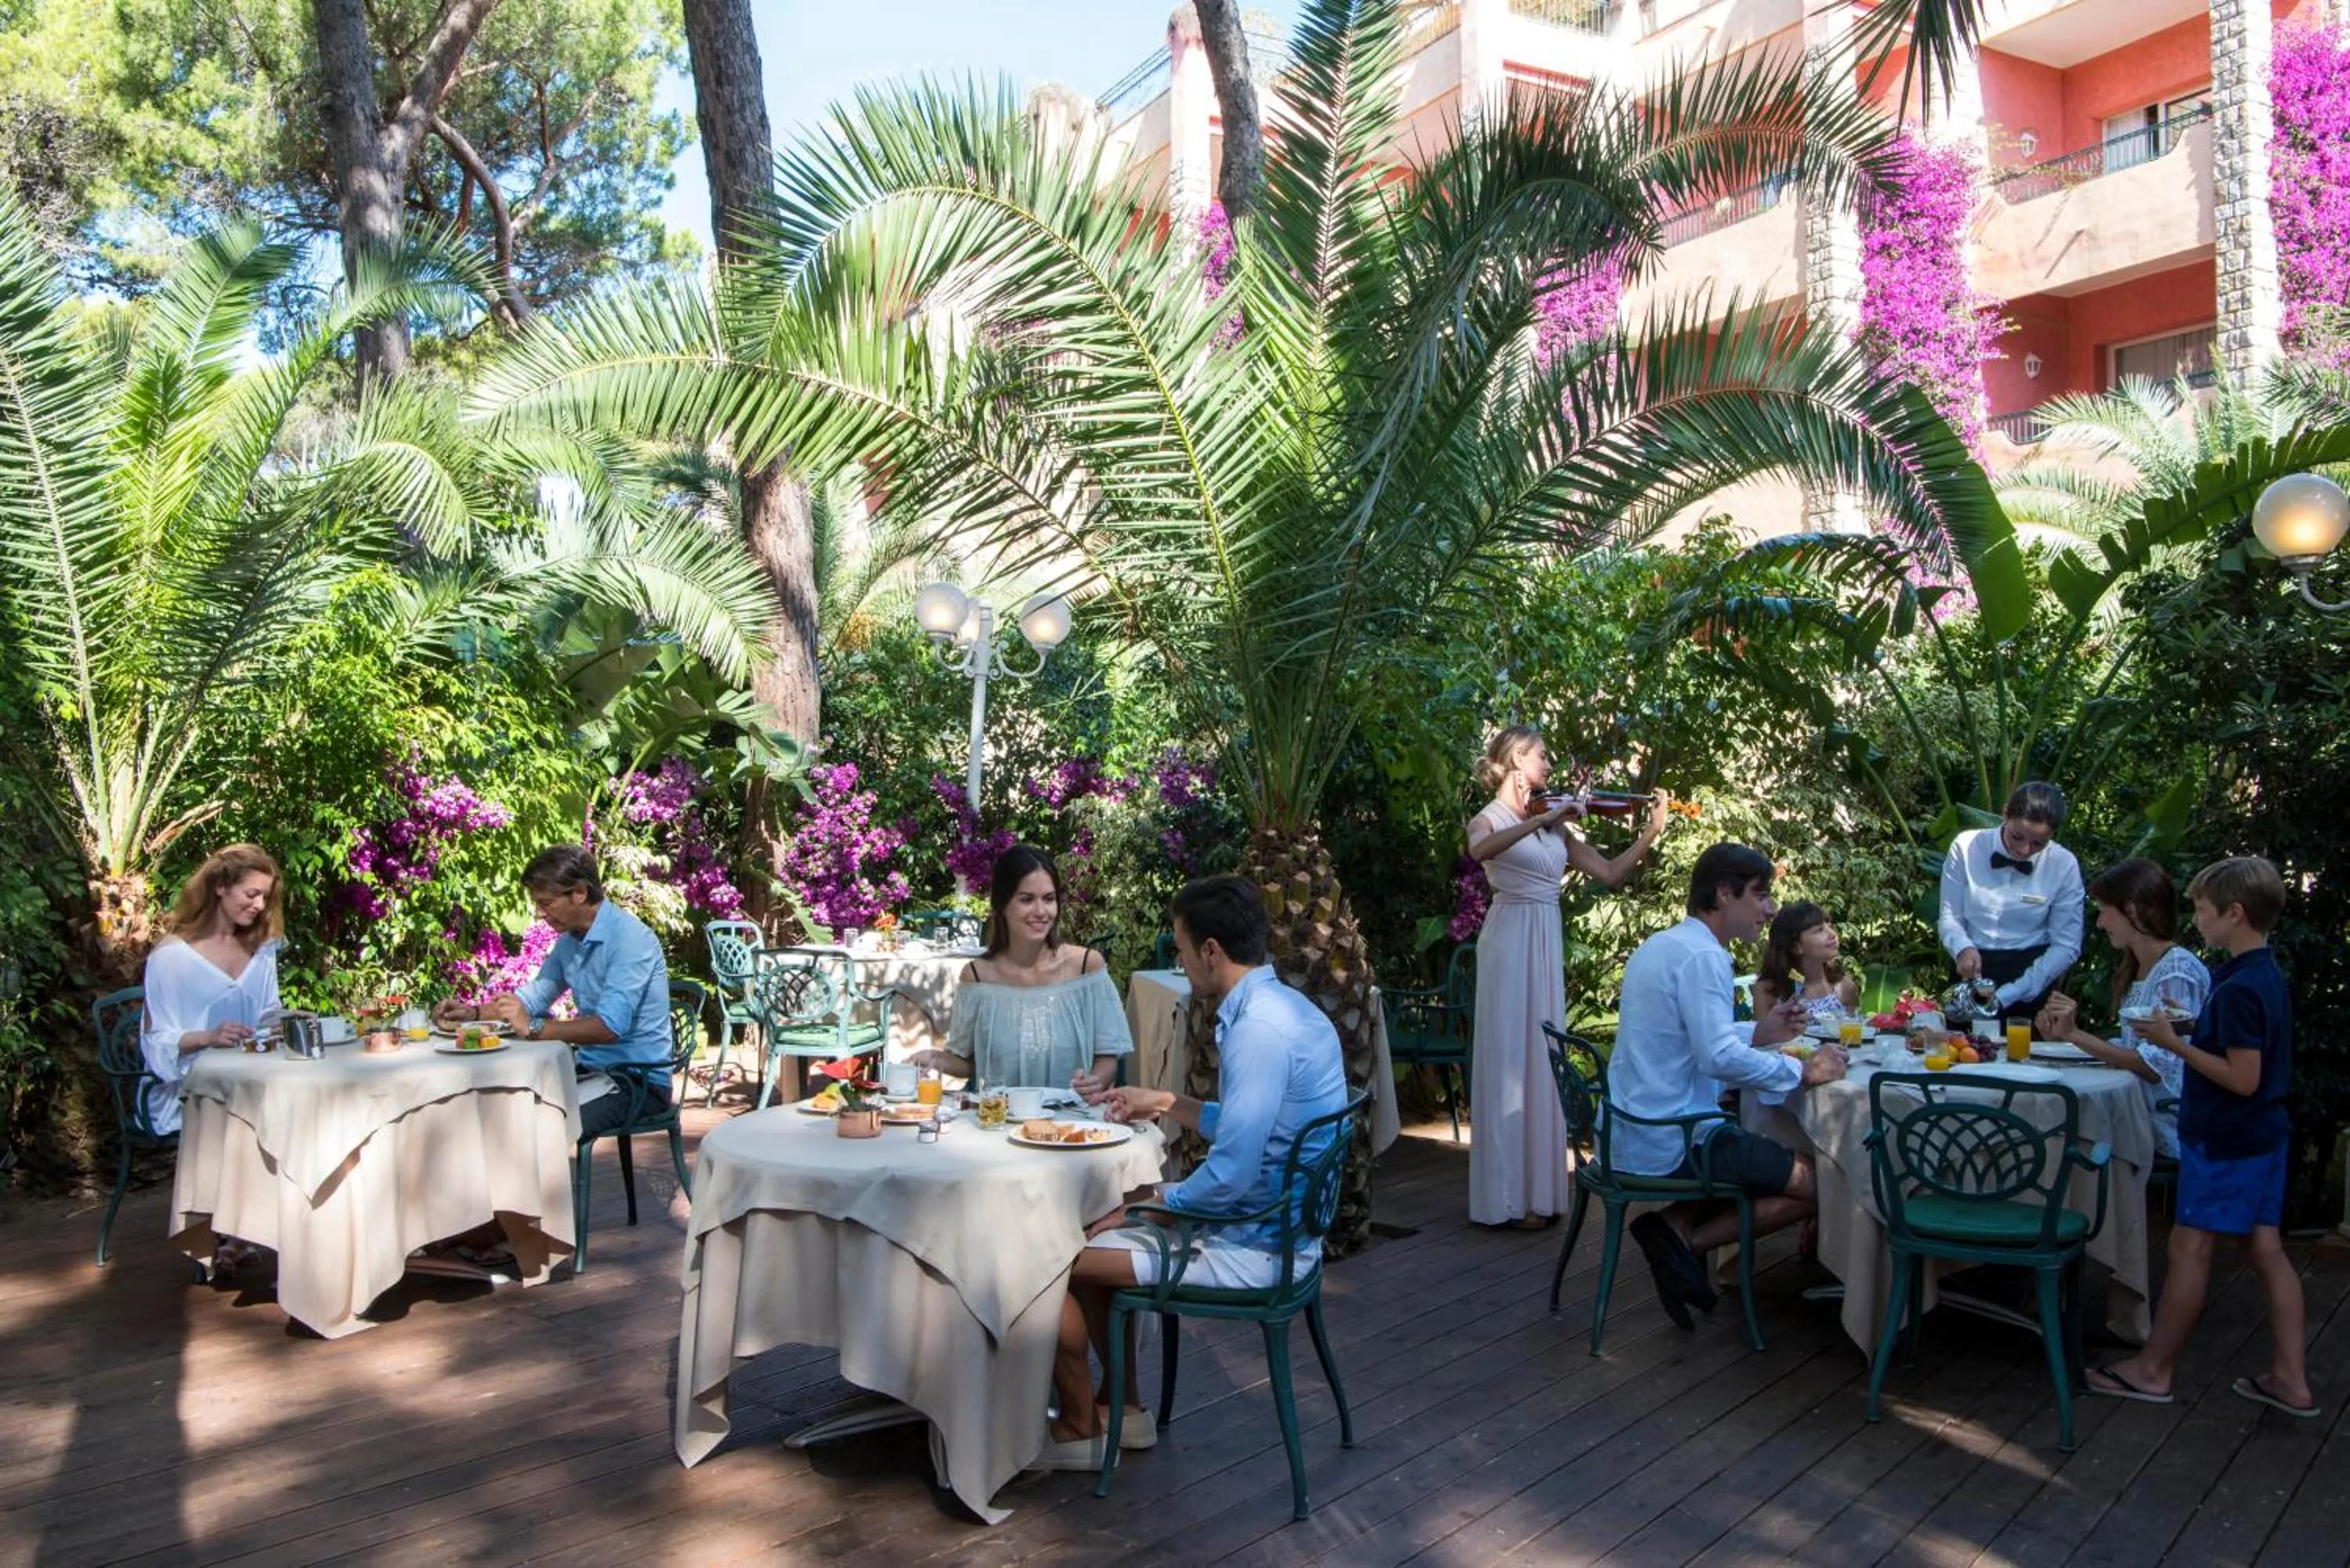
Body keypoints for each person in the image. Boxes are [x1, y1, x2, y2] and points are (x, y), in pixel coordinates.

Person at [1032, 876, 1349, 1470]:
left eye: (1179, 948)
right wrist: (1168, 1103)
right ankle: (1121, 1411)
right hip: (1285, 1232)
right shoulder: (1286, 1007)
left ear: (1210, 951)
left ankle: (1079, 1426)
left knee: (1049, 1257)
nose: (1179, 960)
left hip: (1252, 1245)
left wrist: (1143, 1206)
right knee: (1093, 1233)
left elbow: (1231, 1174)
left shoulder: (1256, 1030)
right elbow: (1262, 1126)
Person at [2086, 856, 2316, 1418]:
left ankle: (2153, 1369)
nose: (2195, 918)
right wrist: (2188, 1028)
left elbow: (2242, 1077)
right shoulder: (2260, 974)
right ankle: (2292, 1379)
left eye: (2203, 910)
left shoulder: (2238, 989)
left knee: (2190, 1249)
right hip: (2264, 1136)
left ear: (2234, 914)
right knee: (2266, 1249)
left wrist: (2176, 1043)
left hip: (2226, 1139)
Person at [1610, 844, 1849, 1328]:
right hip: (1678, 1135)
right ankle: (1678, 1242)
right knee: (1828, 1178)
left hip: (1634, 1122)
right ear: (1724, 893)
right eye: (1760, 895)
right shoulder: (1705, 958)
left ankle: (1674, 1230)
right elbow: (1716, 1057)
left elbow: (1695, 1037)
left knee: (1757, 1151)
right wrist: (1802, 1071)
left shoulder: (1665, 945)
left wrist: (1761, 1033)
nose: (1770, 908)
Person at [1466, 724, 1669, 1229]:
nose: (1549, 766)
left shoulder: (1552, 825)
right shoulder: (1491, 818)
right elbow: (1479, 852)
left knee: (1540, 1057)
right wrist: (1553, 815)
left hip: (1543, 934)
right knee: (1510, 1055)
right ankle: (1507, 1198)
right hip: (1510, 937)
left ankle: (1540, 1194)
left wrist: (1651, 832)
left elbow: (1609, 873)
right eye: (1541, 756)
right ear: (1516, 761)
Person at [432, 845, 672, 1139]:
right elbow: (532, 999)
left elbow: (609, 1027)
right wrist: (472, 1013)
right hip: (590, 1073)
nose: (538, 913)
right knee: (495, 1108)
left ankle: (536, 1186)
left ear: (580, 893)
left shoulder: (630, 939)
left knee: (534, 1128)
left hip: (638, 1084)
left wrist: (533, 1028)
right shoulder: (571, 940)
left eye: (546, 903)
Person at [909, 846, 1131, 1095]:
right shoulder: (978, 976)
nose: (1041, 911)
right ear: (1002, 905)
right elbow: (969, 1062)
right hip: (1001, 1123)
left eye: (1049, 899)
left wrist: (1096, 1082)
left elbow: (1108, 1056)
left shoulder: (1086, 968)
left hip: (1074, 1124)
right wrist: (934, 1058)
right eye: (1026, 899)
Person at [2035, 858, 2211, 1159]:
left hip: (2161, 1117)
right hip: (2133, 1104)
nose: (2100, 923)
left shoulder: (2176, 970)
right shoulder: (2142, 965)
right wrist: (2063, 1038)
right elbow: (2132, 1048)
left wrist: (2076, 1036)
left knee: (2055, 1127)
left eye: (2105, 911)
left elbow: (2158, 1067)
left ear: (2133, 910)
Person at [139, 844, 287, 1137]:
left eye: (265, 898)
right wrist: (208, 1037)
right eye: (251, 894)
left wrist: (286, 1021)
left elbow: (269, 1013)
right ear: (221, 887)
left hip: (251, 1082)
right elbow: (155, 1043)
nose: (260, 906)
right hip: (189, 1094)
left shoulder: (263, 949)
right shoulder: (171, 958)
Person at [1936, 780, 2086, 1023]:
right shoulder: (1966, 846)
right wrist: (1962, 948)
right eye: (2018, 836)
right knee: (1960, 1056)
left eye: (2039, 843)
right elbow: (1950, 916)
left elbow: (2066, 945)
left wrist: (2010, 993)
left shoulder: (2063, 864)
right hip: (1970, 974)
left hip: (2032, 980)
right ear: (2005, 814)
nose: (2025, 850)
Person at [1750, 901, 1861, 1027]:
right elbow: (1760, 1040)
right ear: (1796, 946)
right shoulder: (1769, 992)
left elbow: (1853, 1037)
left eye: (1830, 927)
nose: (1832, 935)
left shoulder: (1844, 988)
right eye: (1819, 930)